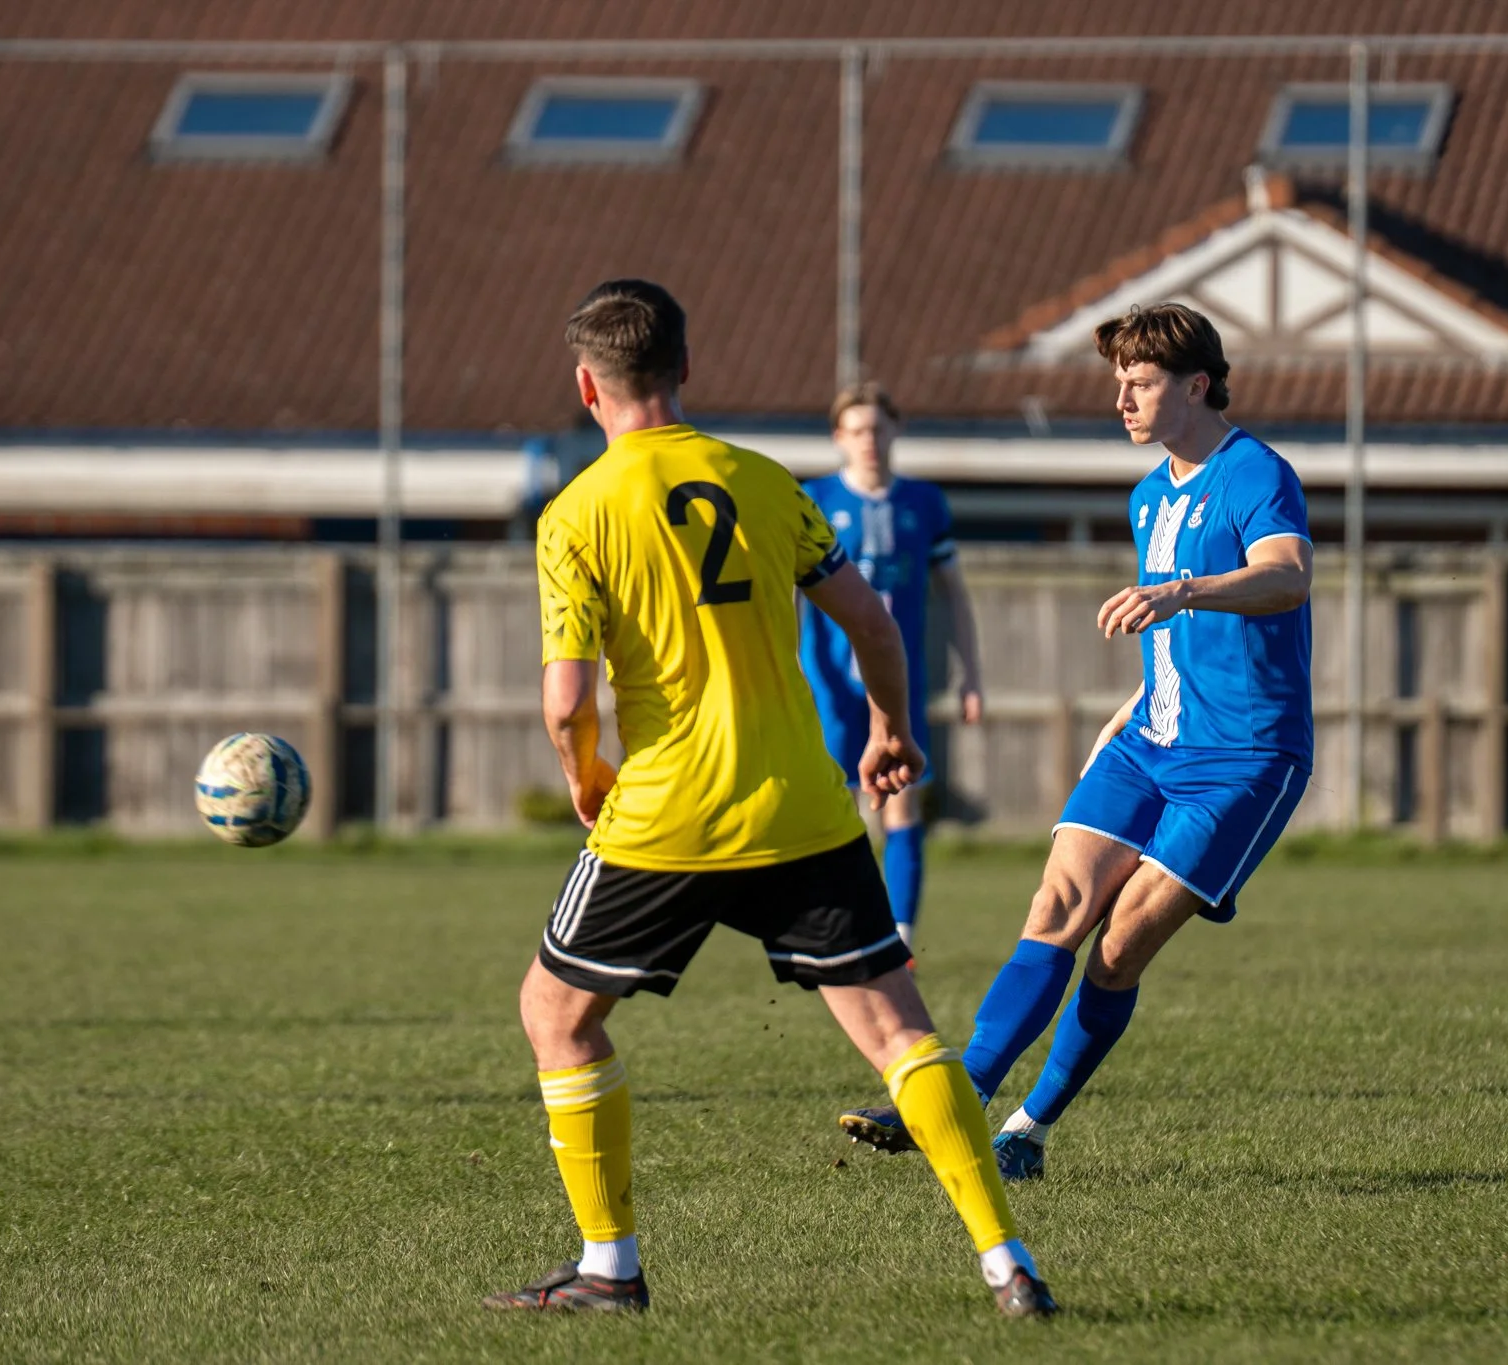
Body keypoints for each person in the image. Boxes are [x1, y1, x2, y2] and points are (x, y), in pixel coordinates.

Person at [483, 279, 1054, 1316]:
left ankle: (610, 1267)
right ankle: (1003, 1259)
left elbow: (566, 700)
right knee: (900, 1035)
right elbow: (873, 623)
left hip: (666, 814)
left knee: (554, 1015)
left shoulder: (576, 513)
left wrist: (582, 776)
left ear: (586, 388)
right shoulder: (765, 481)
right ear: (685, 368)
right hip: (800, 804)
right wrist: (892, 729)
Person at [838, 302, 1313, 1182]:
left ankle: (1028, 1127)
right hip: (1152, 738)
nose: (1121, 400)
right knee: (1056, 903)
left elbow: (1286, 575)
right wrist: (1132, 703)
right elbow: (1185, 637)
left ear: (1196, 386)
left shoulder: (1255, 472)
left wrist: (1181, 590)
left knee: (1120, 943)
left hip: (1245, 757)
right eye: (1119, 383)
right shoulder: (1148, 494)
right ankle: (959, 1099)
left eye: (1140, 383)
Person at [800, 383, 985, 956]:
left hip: (898, 684)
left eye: (878, 428)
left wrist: (971, 674)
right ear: (839, 437)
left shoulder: (923, 503)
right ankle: (840, 934)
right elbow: (789, 593)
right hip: (829, 684)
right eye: (857, 430)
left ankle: (900, 942)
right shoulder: (814, 499)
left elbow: (953, 593)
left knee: (902, 800)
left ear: (896, 430)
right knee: (833, 810)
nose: (869, 440)